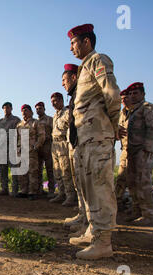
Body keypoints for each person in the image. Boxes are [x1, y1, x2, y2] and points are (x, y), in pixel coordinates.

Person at [67, 24, 121, 259]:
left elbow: (111, 94)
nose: (71, 48)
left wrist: (113, 125)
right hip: (86, 138)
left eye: (74, 42)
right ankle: (92, 231)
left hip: (98, 135)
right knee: (88, 187)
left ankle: (103, 242)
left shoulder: (99, 60)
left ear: (86, 41)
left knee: (100, 186)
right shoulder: (85, 66)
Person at [123, 82, 153, 226]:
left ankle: (148, 214)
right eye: (130, 94)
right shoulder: (132, 112)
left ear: (143, 94)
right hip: (132, 151)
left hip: (143, 151)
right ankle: (137, 211)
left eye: (136, 93)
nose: (132, 96)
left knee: (143, 182)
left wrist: (147, 149)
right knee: (132, 182)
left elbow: (152, 129)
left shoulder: (148, 108)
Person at [61, 64, 89, 235]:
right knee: (79, 182)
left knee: (88, 185)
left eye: (64, 80)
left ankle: (91, 225)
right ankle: (83, 215)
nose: (63, 83)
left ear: (73, 77)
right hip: (76, 144)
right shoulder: (74, 95)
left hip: (86, 143)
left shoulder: (83, 93)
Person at [49, 93, 77, 207]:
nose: (53, 103)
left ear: (61, 100)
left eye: (55, 101)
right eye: (52, 101)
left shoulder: (67, 112)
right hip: (54, 144)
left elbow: (71, 128)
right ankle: (61, 193)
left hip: (63, 143)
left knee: (66, 171)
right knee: (57, 171)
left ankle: (70, 196)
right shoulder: (55, 115)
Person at [16, 104, 45, 201]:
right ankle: (24, 190)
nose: (24, 112)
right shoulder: (19, 125)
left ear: (31, 112)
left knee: (33, 172)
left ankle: (32, 192)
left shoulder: (35, 123)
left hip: (31, 151)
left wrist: (36, 146)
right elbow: (16, 138)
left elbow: (41, 136)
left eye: (26, 110)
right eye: (22, 110)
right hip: (21, 152)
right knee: (22, 172)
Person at [0, 102, 21, 196]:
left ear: (11, 108)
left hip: (12, 148)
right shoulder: (1, 121)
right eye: (4, 108)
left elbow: (18, 133)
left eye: (8, 107)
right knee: (2, 170)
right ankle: (4, 189)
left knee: (14, 171)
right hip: (2, 148)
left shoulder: (16, 120)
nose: (6, 109)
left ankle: (14, 190)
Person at [115, 89, 132, 211]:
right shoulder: (121, 114)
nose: (124, 101)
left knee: (139, 180)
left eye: (126, 97)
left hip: (140, 150)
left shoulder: (144, 110)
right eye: (122, 99)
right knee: (121, 178)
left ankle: (144, 211)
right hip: (125, 150)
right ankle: (118, 202)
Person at [35, 102, 55, 198]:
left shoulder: (49, 119)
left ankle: (51, 190)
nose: (38, 110)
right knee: (38, 169)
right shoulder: (35, 121)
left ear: (44, 109)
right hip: (38, 147)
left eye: (40, 108)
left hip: (47, 146)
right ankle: (39, 189)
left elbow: (54, 132)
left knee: (49, 169)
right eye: (37, 109)